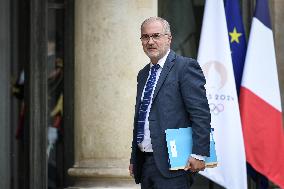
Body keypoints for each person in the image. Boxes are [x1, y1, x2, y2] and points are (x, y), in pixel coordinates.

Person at [129, 17, 211, 189]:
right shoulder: (143, 74)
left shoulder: (185, 67)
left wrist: (199, 154)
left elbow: (200, 113)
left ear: (169, 38)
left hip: (174, 164)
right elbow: (141, 118)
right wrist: (134, 158)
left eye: (156, 36)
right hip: (145, 164)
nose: (150, 41)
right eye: (145, 37)